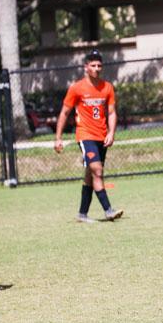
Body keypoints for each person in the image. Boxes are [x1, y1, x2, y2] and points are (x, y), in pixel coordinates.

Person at [54, 49, 123, 222]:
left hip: (102, 137)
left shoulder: (107, 87)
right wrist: (58, 138)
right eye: (93, 65)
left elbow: (112, 113)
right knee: (97, 171)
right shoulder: (77, 88)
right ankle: (108, 210)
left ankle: (82, 214)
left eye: (99, 65)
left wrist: (111, 133)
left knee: (90, 175)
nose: (96, 69)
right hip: (85, 135)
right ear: (86, 67)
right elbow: (64, 113)